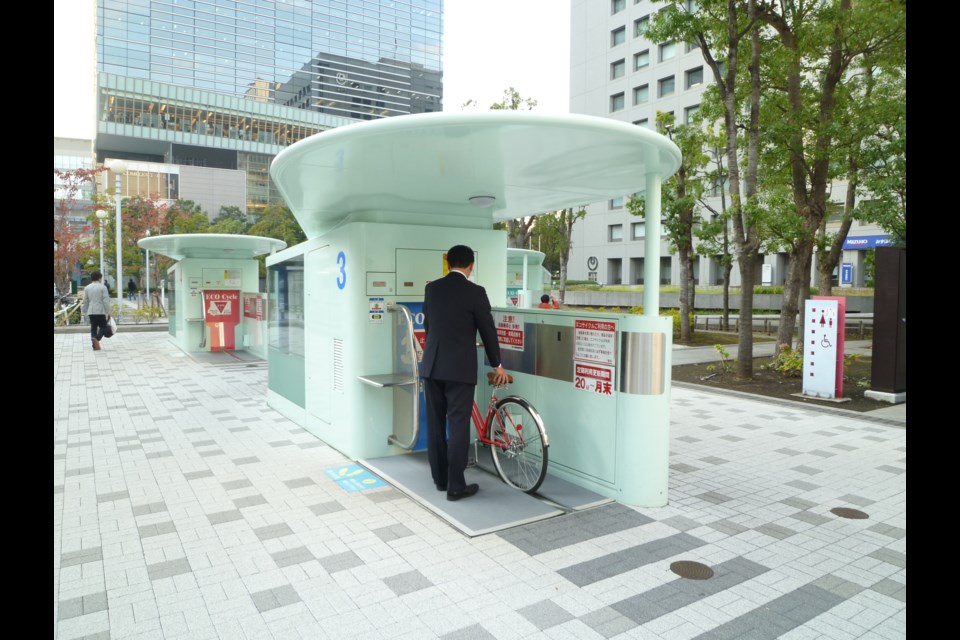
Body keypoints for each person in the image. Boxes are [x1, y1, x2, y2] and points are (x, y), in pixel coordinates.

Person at [420, 245, 510, 502]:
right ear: (471, 266)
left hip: (432, 365)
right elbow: (487, 330)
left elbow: (428, 326)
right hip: (459, 368)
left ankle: (440, 479)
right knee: (458, 424)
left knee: (435, 423)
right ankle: (456, 486)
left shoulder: (432, 288)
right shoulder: (476, 292)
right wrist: (497, 364)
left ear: (448, 263)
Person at [83, 272, 111, 351]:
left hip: (91, 311)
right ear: (99, 278)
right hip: (100, 310)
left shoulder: (87, 288)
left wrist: (86, 309)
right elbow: (106, 301)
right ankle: (96, 339)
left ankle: (94, 346)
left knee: (93, 328)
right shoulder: (103, 287)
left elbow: (85, 300)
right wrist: (108, 312)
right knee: (103, 326)